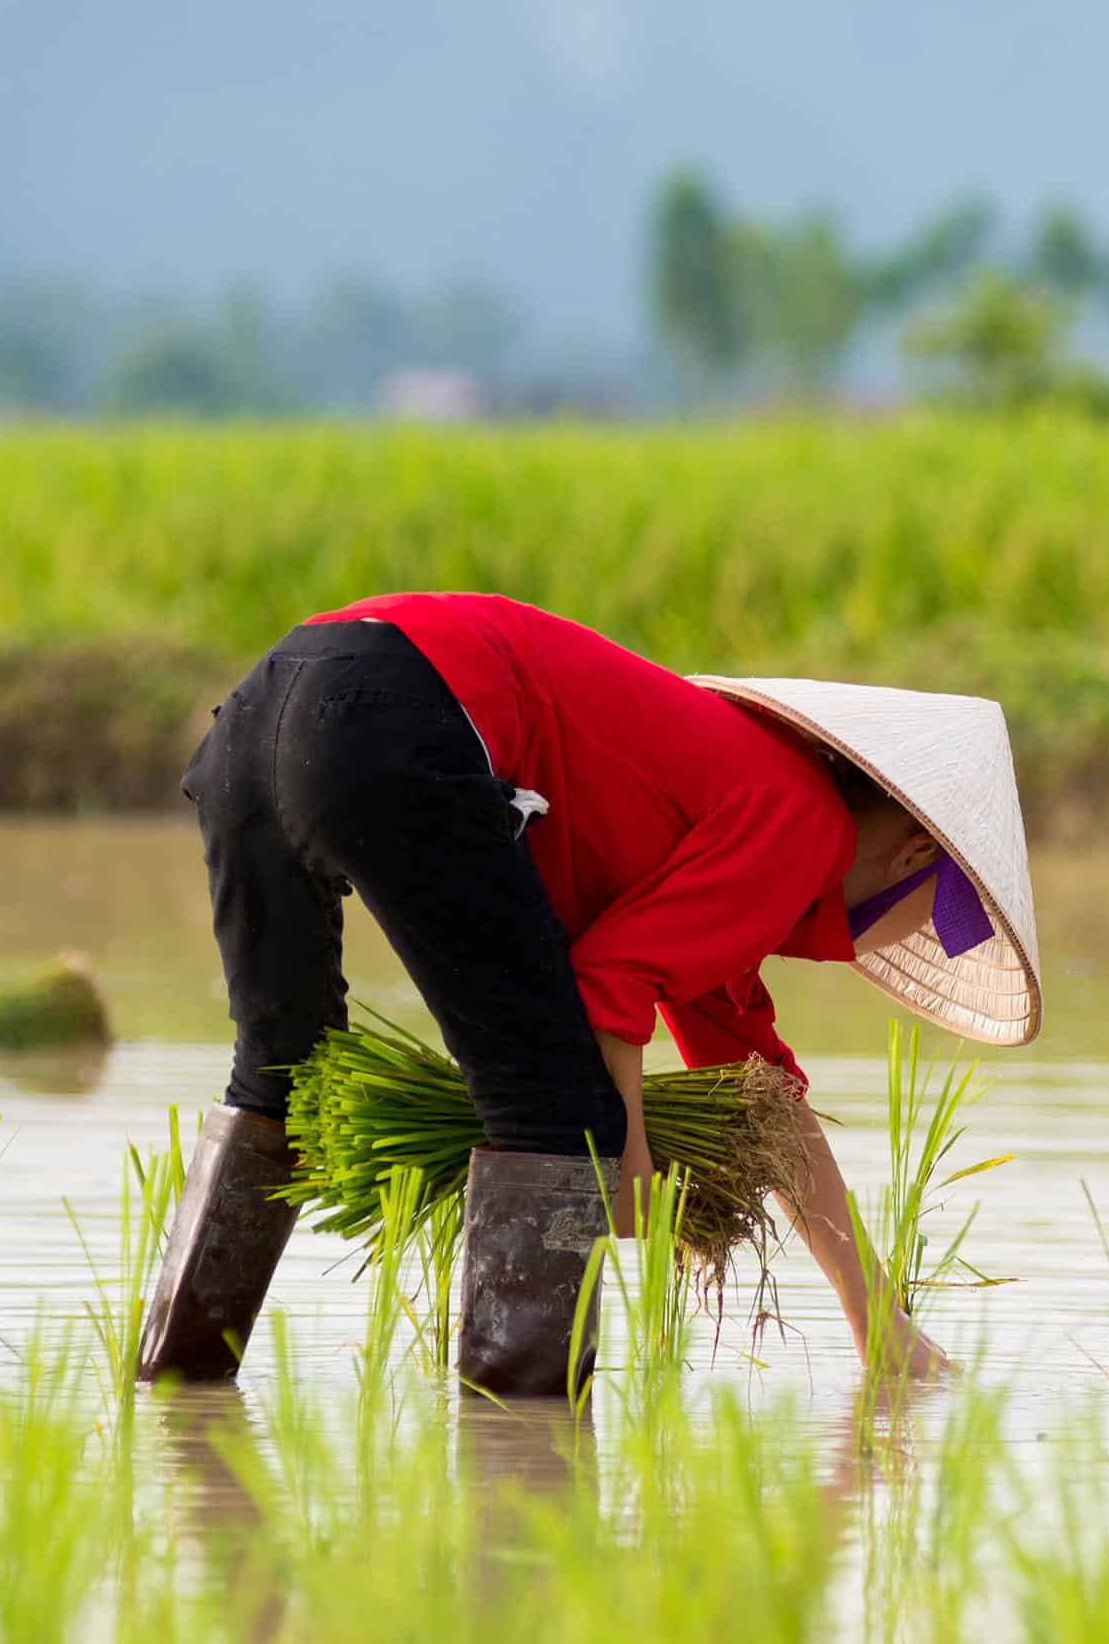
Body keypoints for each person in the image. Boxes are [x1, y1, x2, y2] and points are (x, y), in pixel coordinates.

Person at [135, 591, 1043, 1397]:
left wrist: (876, 1323)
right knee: (556, 1120)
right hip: (398, 718)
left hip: (261, 711)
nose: (910, 942)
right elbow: (609, 984)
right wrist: (626, 1162)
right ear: (916, 858)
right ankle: (520, 1459)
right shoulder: (800, 829)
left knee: (283, 1076)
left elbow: (765, 1108)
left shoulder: (745, 802)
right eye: (935, 923)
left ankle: (173, 1383)